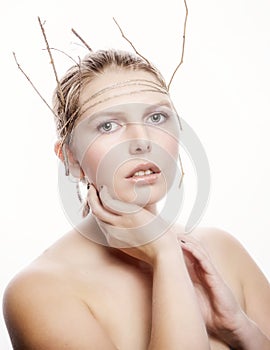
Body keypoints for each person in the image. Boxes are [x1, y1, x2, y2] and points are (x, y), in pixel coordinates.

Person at [3, 49, 270, 350]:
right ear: (71, 158)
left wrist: (240, 329)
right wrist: (165, 253)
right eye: (108, 125)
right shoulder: (40, 291)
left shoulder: (224, 251)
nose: (142, 142)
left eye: (157, 117)